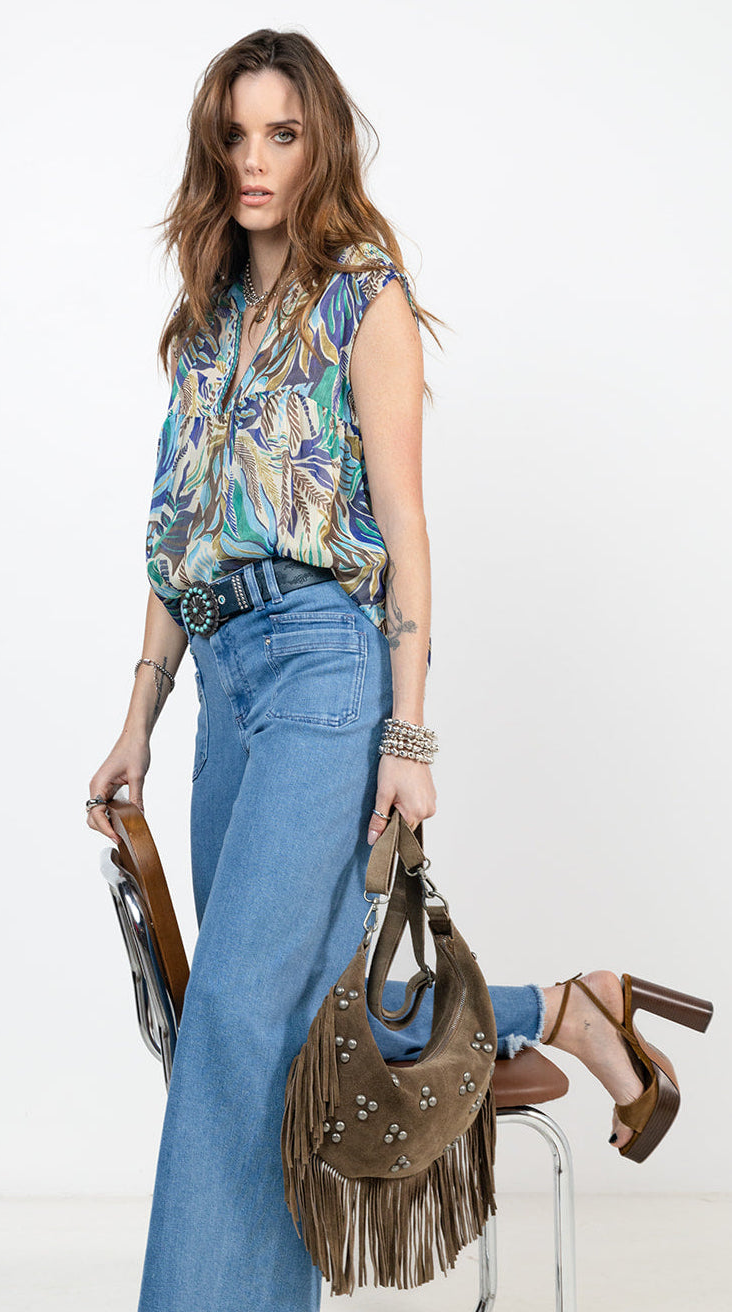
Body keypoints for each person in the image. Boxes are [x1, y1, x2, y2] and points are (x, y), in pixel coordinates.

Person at [86, 29, 714, 1312]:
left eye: (281, 133)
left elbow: (406, 526)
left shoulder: (360, 297)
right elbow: (172, 533)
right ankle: (568, 1005)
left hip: (324, 671)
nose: (254, 159)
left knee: (232, 1023)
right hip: (223, 684)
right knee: (275, 1021)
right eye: (234, 135)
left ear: (319, 144)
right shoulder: (204, 320)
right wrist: (137, 717)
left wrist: (407, 736)